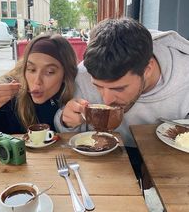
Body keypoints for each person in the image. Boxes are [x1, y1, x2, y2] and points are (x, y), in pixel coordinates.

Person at [55, 17, 189, 182]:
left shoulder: (185, 74)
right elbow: (70, 134)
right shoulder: (84, 73)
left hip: (172, 165)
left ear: (147, 69)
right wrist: (66, 121)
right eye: (98, 86)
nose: (107, 99)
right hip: (106, 163)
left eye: (118, 88)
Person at [0, 33, 77, 177]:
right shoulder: (8, 97)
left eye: (49, 72)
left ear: (65, 75)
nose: (37, 81)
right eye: (31, 69)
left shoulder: (74, 97)